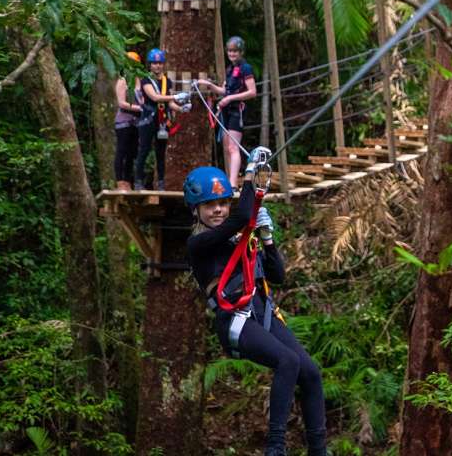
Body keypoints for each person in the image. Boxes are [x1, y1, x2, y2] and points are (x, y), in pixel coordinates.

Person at [184, 156, 327, 456]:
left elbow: (278, 276)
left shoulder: (240, 236)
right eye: (211, 205)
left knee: (311, 372)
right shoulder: (199, 244)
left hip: (260, 312)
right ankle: (275, 448)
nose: (219, 210)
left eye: (223, 202)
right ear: (196, 210)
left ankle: (319, 450)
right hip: (233, 320)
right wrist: (252, 175)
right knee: (287, 361)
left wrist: (268, 239)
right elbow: (241, 215)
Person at [195, 36, 258, 187]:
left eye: (235, 51)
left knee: (233, 147)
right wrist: (209, 85)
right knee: (226, 147)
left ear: (241, 52)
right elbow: (225, 91)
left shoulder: (245, 68)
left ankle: (233, 183)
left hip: (238, 111)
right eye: (230, 51)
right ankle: (230, 179)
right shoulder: (230, 69)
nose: (232, 54)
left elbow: (252, 92)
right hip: (227, 111)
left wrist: (230, 99)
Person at [135, 48, 190, 191]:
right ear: (150, 65)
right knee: (144, 150)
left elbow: (170, 103)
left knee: (160, 153)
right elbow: (155, 97)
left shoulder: (167, 81)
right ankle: (138, 181)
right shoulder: (146, 79)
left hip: (162, 121)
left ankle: (160, 183)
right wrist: (175, 97)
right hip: (148, 119)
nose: (157, 66)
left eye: (160, 63)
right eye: (154, 63)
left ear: (163, 64)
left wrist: (181, 108)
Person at [113, 51, 143, 191]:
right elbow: (122, 103)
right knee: (122, 150)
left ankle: (128, 180)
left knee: (132, 152)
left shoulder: (140, 81)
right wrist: (141, 108)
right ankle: (120, 181)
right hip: (124, 121)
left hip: (137, 122)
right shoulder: (122, 80)